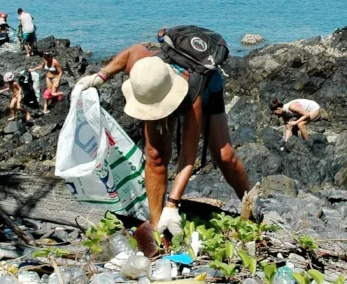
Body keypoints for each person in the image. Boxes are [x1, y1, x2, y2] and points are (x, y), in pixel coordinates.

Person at [75, 34, 249, 236]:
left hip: (206, 90)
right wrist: (100, 76)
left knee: (224, 156)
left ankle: (250, 209)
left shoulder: (193, 95)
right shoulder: (144, 70)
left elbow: (188, 156)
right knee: (155, 156)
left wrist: (172, 204)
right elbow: (133, 50)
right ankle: (157, 227)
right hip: (157, 91)